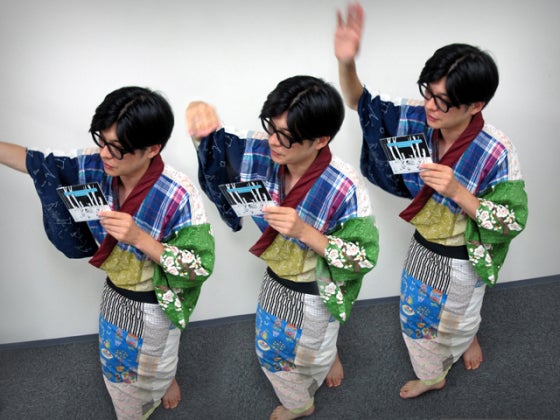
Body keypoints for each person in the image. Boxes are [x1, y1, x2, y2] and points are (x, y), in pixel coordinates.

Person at [334, 3, 528, 399]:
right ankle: (432, 376)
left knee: (463, 312)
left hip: (469, 253)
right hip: (425, 244)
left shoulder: (497, 149)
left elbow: (511, 220)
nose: (431, 106)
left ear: (475, 105)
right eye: (429, 93)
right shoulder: (418, 117)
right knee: (416, 318)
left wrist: (459, 192)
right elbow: (360, 103)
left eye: (444, 101)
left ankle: (466, 336)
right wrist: (347, 62)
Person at [0, 86, 215, 418]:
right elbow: (37, 162)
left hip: (161, 296)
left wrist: (139, 237)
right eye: (102, 140)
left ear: (152, 149)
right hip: (116, 289)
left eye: (117, 148)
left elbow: (198, 266)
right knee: (117, 364)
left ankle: (164, 380)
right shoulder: (94, 164)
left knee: (161, 354)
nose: (105, 154)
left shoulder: (179, 192)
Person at [186, 75, 379, 419]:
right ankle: (299, 400)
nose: (274, 141)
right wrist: (200, 129)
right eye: (271, 127)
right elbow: (217, 151)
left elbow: (362, 257)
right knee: (272, 351)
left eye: (286, 136)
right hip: (279, 273)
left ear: (321, 140)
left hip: (324, 281)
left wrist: (304, 231)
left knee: (317, 344)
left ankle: (311, 384)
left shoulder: (345, 185)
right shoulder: (262, 151)